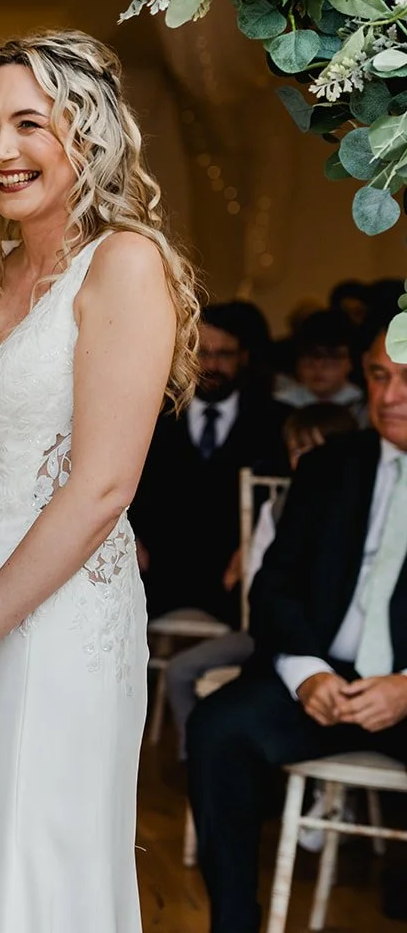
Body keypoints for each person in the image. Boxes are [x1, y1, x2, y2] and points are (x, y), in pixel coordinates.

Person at [0, 30, 201, 933]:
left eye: (31, 124)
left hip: (47, 624)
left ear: (88, 133)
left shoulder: (125, 266)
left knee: (30, 872)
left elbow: (102, 487)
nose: (1, 151)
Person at [188, 315, 407, 933]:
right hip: (325, 678)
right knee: (218, 727)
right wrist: (308, 674)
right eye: (379, 376)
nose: (389, 398)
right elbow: (275, 585)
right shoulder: (332, 464)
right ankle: (234, 923)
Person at [161, 402, 358, 759]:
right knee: (179, 670)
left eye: (317, 450)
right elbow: (261, 584)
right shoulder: (276, 508)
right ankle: (198, 760)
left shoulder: (357, 511)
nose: (305, 460)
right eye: (297, 450)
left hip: (325, 645)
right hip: (267, 633)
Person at [130, 303, 292, 625]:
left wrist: (259, 546)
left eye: (225, 354)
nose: (212, 365)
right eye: (202, 353)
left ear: (244, 357)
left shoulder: (276, 421)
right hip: (157, 578)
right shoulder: (151, 417)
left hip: (239, 586)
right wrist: (127, 533)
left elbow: (291, 501)